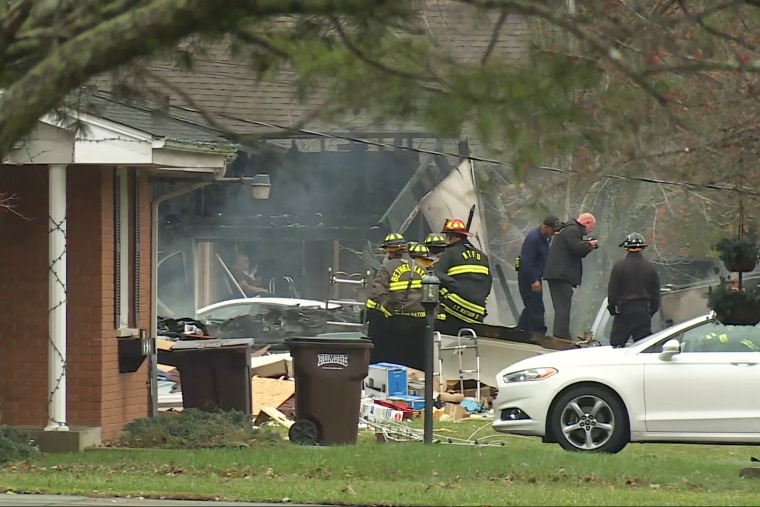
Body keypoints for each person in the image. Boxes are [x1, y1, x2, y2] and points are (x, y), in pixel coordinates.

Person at [544, 212, 599, 340]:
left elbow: (577, 250)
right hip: (561, 275)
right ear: (586, 223)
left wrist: (587, 246)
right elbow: (577, 248)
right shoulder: (572, 230)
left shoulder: (569, 230)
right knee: (563, 307)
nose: (591, 230)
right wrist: (589, 244)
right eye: (592, 226)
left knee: (562, 307)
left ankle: (561, 334)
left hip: (559, 274)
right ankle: (560, 335)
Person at [434, 218, 492, 327]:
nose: (447, 239)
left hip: (456, 308)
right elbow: (488, 283)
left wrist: (451, 285)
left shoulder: (450, 253)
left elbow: (435, 275)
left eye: (448, 236)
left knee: (431, 284)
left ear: (454, 236)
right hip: (478, 311)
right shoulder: (482, 256)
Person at [607, 232, 661, 347]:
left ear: (626, 247)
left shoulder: (619, 266)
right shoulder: (650, 267)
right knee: (643, 347)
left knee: (617, 345)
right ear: (642, 248)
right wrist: (651, 311)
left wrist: (612, 309)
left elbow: (612, 292)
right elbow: (655, 293)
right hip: (642, 312)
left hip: (624, 312)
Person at [366, 232, 409, 362]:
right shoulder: (417, 266)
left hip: (395, 318)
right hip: (419, 321)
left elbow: (378, 293)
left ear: (389, 250)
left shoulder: (386, 267)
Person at [517, 216, 561, 335]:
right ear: (545, 227)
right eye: (553, 230)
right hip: (528, 277)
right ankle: (538, 332)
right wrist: (534, 280)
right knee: (536, 307)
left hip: (537, 275)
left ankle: (521, 329)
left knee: (531, 305)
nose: (554, 233)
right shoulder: (534, 238)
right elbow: (527, 261)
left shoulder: (546, 238)